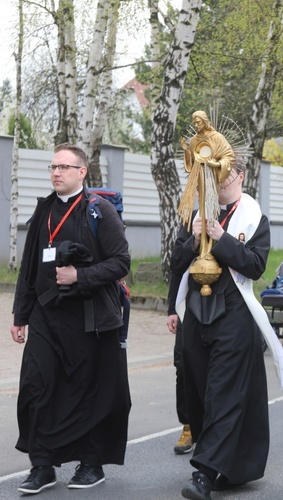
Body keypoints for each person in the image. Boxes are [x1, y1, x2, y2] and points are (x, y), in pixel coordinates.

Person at [11, 143, 131, 493]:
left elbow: (121, 262)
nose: (56, 173)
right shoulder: (43, 211)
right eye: (53, 167)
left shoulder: (99, 211)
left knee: (87, 391)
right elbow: (28, 269)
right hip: (46, 317)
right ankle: (42, 465)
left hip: (89, 319)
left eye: (64, 167)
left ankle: (91, 464)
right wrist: (20, 315)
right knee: (37, 386)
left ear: (82, 173)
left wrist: (80, 277)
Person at [172, 160, 277, 499]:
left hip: (234, 314)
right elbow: (175, 262)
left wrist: (219, 238)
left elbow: (256, 265)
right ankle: (228, 465)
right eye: (213, 176)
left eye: (225, 176)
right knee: (200, 391)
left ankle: (203, 473)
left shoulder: (254, 216)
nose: (219, 182)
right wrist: (193, 240)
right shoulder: (197, 214)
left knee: (223, 393)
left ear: (240, 177)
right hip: (197, 313)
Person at [167, 268, 194, 455]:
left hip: (220, 303)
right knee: (183, 365)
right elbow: (178, 267)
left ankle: (212, 427)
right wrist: (172, 310)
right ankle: (188, 426)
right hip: (188, 306)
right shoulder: (186, 236)